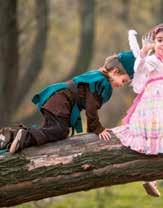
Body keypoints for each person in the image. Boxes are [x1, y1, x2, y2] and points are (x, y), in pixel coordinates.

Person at [112, 23, 163, 205]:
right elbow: (138, 75)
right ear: (154, 42)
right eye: (159, 40)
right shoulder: (152, 61)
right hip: (153, 113)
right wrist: (142, 53)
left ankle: (152, 178)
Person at [0, 51, 135, 154]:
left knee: (52, 132)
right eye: (123, 81)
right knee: (58, 131)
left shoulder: (97, 76)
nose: (122, 85)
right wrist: (97, 128)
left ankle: (10, 138)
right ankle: (24, 136)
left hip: (59, 99)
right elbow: (91, 108)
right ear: (115, 71)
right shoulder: (101, 82)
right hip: (61, 101)